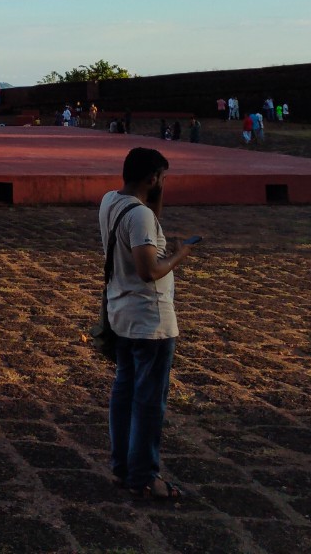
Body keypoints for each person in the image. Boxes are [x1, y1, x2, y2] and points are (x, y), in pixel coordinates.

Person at [99, 146, 194, 500]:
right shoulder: (139, 217)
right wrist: (181, 254)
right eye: (162, 179)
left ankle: (123, 469)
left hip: (120, 313)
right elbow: (149, 270)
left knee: (124, 393)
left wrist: (158, 192)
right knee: (149, 402)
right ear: (152, 178)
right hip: (149, 319)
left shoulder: (110, 201)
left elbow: (148, 221)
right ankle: (144, 477)